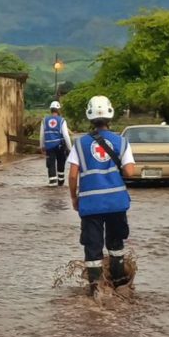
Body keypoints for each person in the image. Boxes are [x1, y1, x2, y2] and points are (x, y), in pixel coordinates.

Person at [67, 96, 136, 297]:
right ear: (110, 116)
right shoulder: (121, 142)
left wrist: (74, 198)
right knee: (116, 244)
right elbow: (130, 172)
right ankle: (120, 286)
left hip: (90, 203)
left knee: (92, 246)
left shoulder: (80, 144)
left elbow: (72, 176)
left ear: (90, 117)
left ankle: (96, 290)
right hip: (116, 202)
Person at [40, 101, 74, 187]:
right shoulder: (62, 120)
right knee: (61, 162)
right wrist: (70, 148)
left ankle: (52, 183)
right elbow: (66, 135)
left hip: (49, 146)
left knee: (51, 164)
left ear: (51, 110)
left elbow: (42, 135)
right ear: (58, 110)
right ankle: (61, 181)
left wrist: (42, 146)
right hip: (60, 146)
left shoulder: (44, 120)